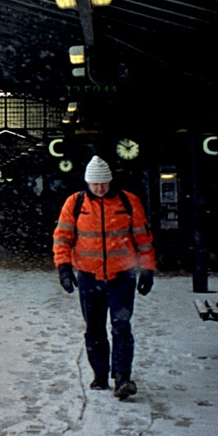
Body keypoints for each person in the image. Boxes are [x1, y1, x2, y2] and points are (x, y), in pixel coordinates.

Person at [53, 155, 156, 400]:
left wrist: (148, 270)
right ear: (88, 183)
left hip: (122, 276)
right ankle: (100, 374)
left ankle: (122, 377)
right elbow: (62, 237)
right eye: (95, 184)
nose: (100, 188)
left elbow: (143, 238)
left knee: (121, 326)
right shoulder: (75, 203)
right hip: (90, 278)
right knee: (95, 328)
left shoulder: (128, 202)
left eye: (104, 183)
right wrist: (64, 268)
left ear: (110, 181)